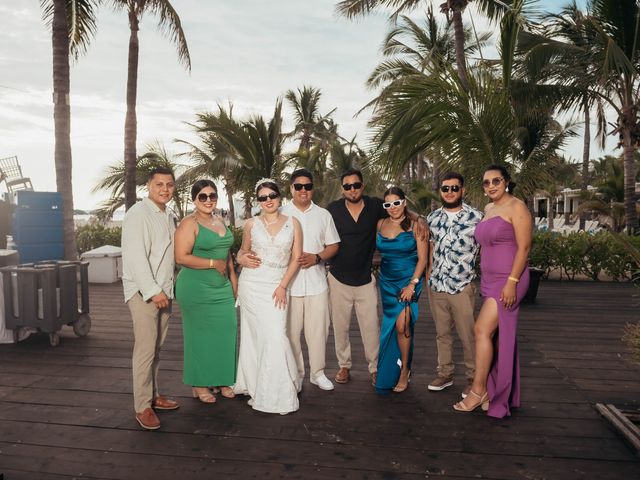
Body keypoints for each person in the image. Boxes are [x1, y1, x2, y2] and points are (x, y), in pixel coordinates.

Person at [327, 168, 427, 386]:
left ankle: (375, 368)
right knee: (340, 326)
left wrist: (420, 218)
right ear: (342, 189)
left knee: (371, 326)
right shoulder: (332, 209)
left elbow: (399, 212)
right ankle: (344, 366)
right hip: (337, 277)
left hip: (366, 277)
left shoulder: (375, 207)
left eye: (356, 185)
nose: (352, 189)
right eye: (347, 186)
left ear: (362, 186)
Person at [453, 165, 531, 418]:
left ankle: (479, 391)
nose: (491, 186)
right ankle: (492, 389)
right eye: (486, 183)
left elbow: (524, 248)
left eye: (496, 181)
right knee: (492, 336)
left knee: (481, 330)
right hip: (489, 280)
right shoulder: (488, 209)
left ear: (506, 181)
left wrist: (512, 281)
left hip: (510, 279)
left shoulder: (517, 207)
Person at [234, 179, 303, 414]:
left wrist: (283, 285)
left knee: (275, 335)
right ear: (258, 201)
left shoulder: (293, 223)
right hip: (251, 284)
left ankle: (278, 394)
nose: (268, 200)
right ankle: (255, 385)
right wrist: (240, 259)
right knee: (254, 336)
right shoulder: (250, 224)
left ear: (279, 197)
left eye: (272, 195)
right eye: (263, 198)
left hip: (277, 285)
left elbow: (296, 258)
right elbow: (242, 252)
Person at [121, 167, 180, 431]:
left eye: (169, 184)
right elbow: (135, 258)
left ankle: (154, 396)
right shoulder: (138, 214)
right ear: (149, 186)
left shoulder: (168, 215)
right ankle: (142, 406)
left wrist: (166, 290)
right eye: (159, 184)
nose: (165, 189)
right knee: (145, 350)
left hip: (164, 291)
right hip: (146, 293)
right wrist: (153, 290)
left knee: (156, 348)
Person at [174, 180, 237, 404]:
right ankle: (200, 384)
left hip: (222, 288)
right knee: (199, 336)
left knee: (225, 331)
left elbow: (227, 256)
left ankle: (221, 379)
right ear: (194, 200)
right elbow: (181, 257)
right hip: (196, 288)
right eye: (203, 196)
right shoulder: (188, 224)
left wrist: (234, 283)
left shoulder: (219, 220)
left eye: (212, 196)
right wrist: (212, 262)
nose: (208, 200)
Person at [281, 169, 340, 391]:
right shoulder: (281, 213)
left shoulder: (323, 215)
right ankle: (296, 375)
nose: (303, 190)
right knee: (291, 333)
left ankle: (318, 373)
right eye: (298, 186)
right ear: (291, 189)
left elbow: (334, 245)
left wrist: (317, 257)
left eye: (307, 186)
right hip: (290, 285)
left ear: (312, 188)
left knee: (318, 331)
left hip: (317, 283)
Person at [426, 172, 482, 398]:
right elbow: (430, 251)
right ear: (440, 191)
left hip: (462, 285)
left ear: (463, 190)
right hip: (437, 284)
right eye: (445, 188)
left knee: (468, 334)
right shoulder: (432, 218)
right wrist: (429, 277)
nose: (449, 192)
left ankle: (473, 378)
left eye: (454, 188)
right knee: (442, 334)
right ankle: (445, 373)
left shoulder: (477, 218)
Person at [375, 187, 428, 393]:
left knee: (402, 326)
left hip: (409, 281)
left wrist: (412, 284)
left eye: (396, 203)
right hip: (387, 282)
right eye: (388, 204)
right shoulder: (380, 223)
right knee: (391, 327)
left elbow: (423, 259)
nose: (392, 208)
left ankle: (405, 370)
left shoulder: (416, 225)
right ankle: (390, 369)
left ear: (404, 202)